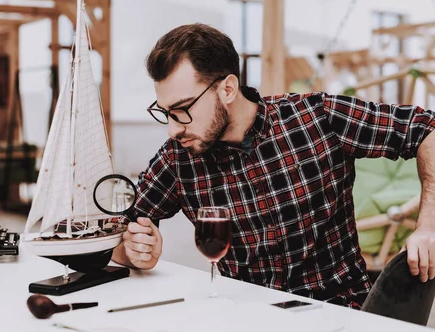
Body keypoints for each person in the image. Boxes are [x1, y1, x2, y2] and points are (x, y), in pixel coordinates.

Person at [111, 23, 435, 309]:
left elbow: (426, 130)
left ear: (227, 89)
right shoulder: (178, 157)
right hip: (246, 322)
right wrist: (131, 250)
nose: (172, 128)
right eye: (165, 112)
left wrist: (428, 226)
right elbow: (117, 234)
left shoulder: (316, 118)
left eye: (182, 110)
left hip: (341, 315)